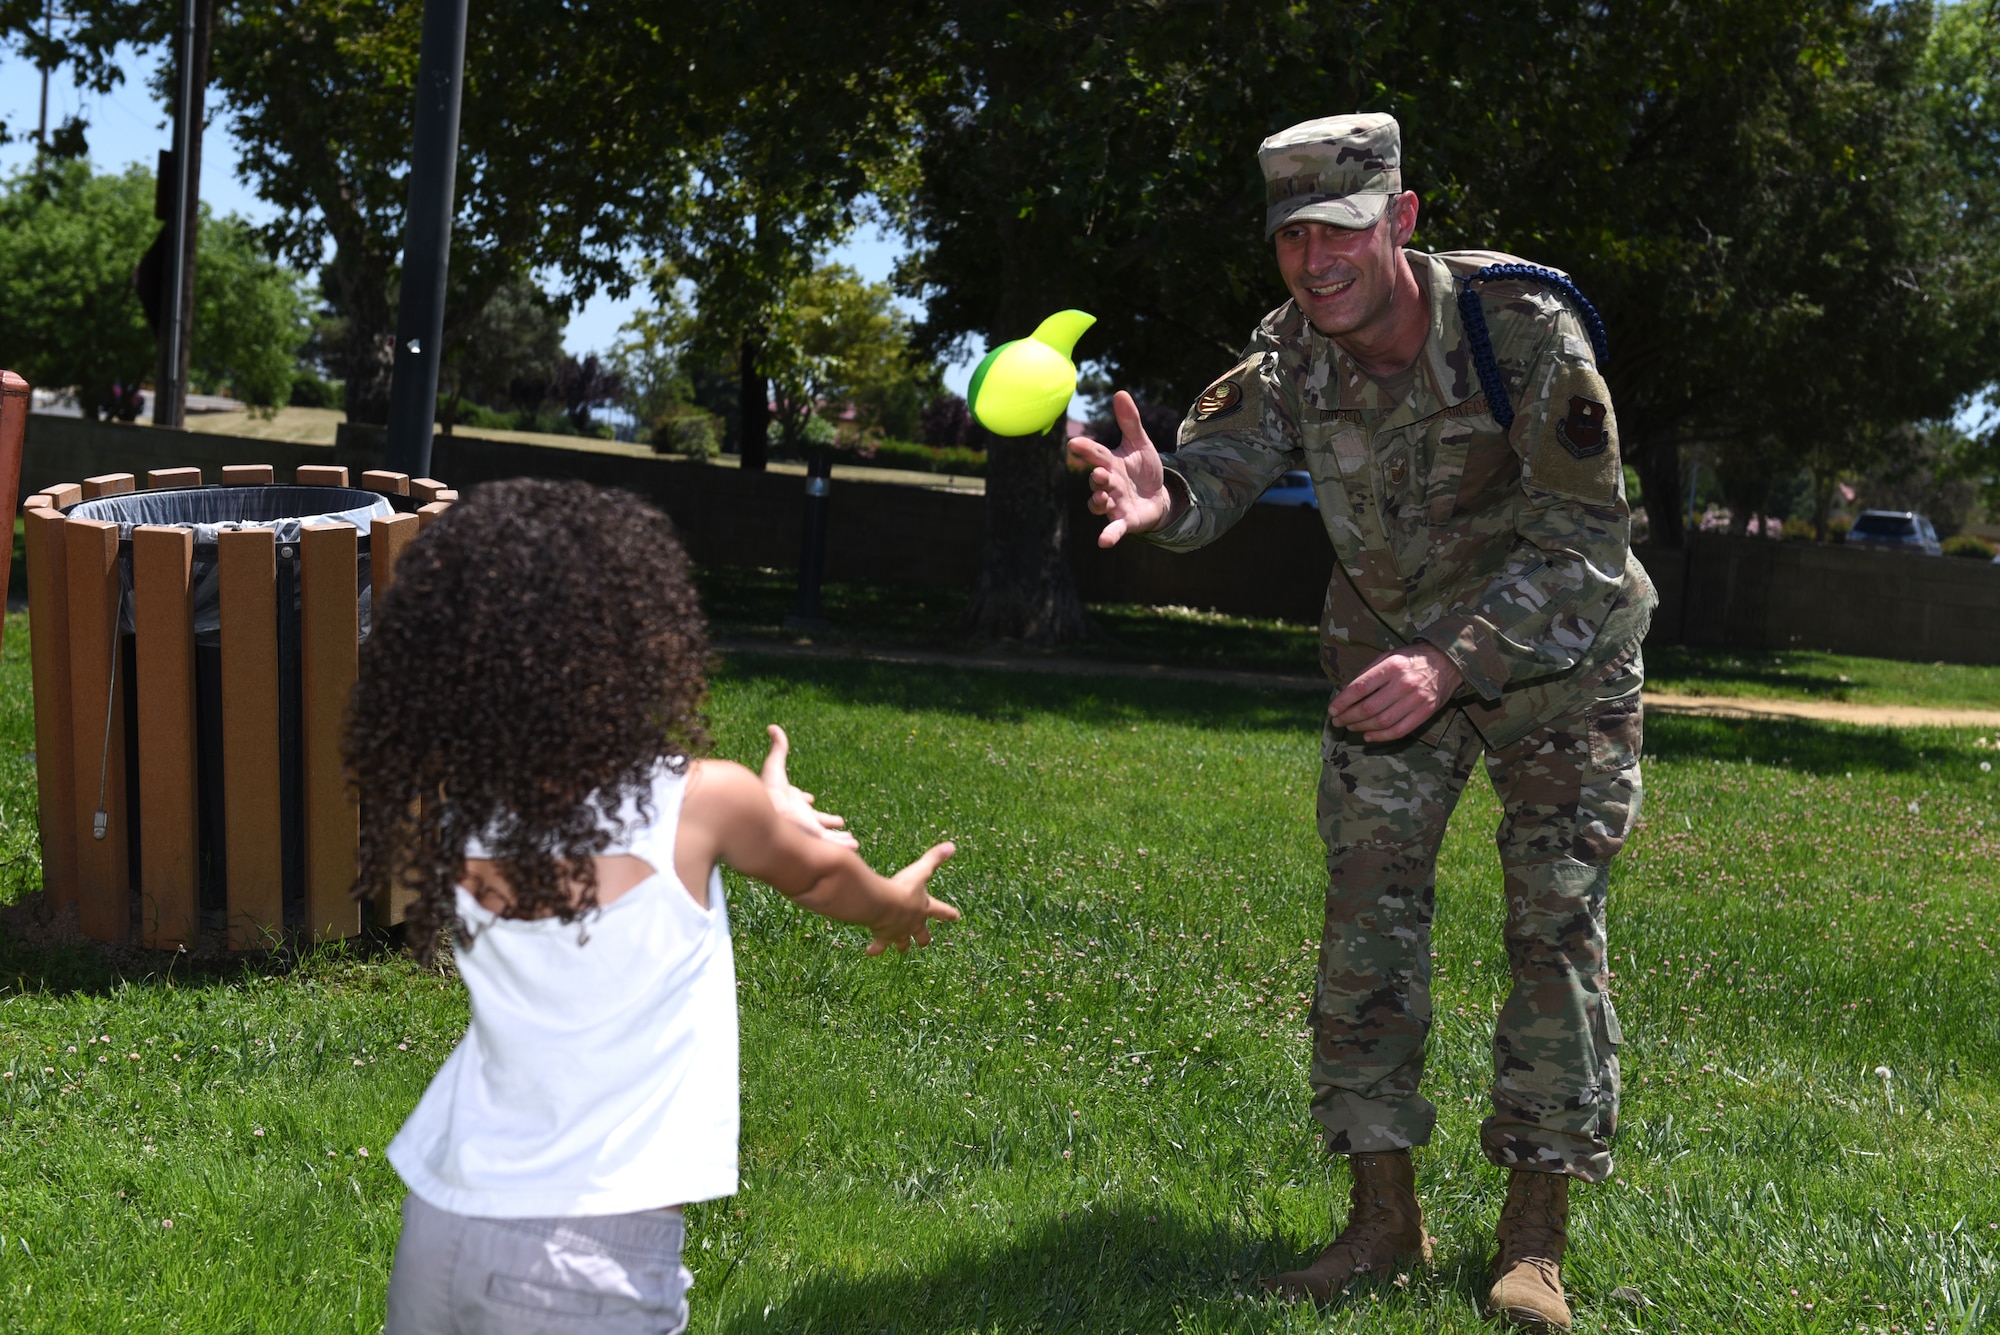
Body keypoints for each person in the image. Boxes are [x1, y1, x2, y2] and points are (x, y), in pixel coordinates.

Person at [1068, 114, 1654, 1331]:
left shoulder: (1518, 330)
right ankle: (1381, 1220)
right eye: (1290, 236)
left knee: (1553, 927)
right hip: (1386, 663)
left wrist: (1453, 662)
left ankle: (1531, 1243)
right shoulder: (1289, 350)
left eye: (1337, 229)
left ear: (1399, 218)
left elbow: (1585, 545)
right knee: (1365, 924)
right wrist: (1160, 494)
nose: (1312, 259)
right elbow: (1215, 475)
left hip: (1554, 659)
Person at [346, 478, 960, 1334]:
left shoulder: (471, 805)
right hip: (589, 1250)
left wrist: (760, 813)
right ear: (634, 642)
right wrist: (893, 904)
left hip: (443, 1218)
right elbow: (822, 879)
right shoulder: (704, 801)